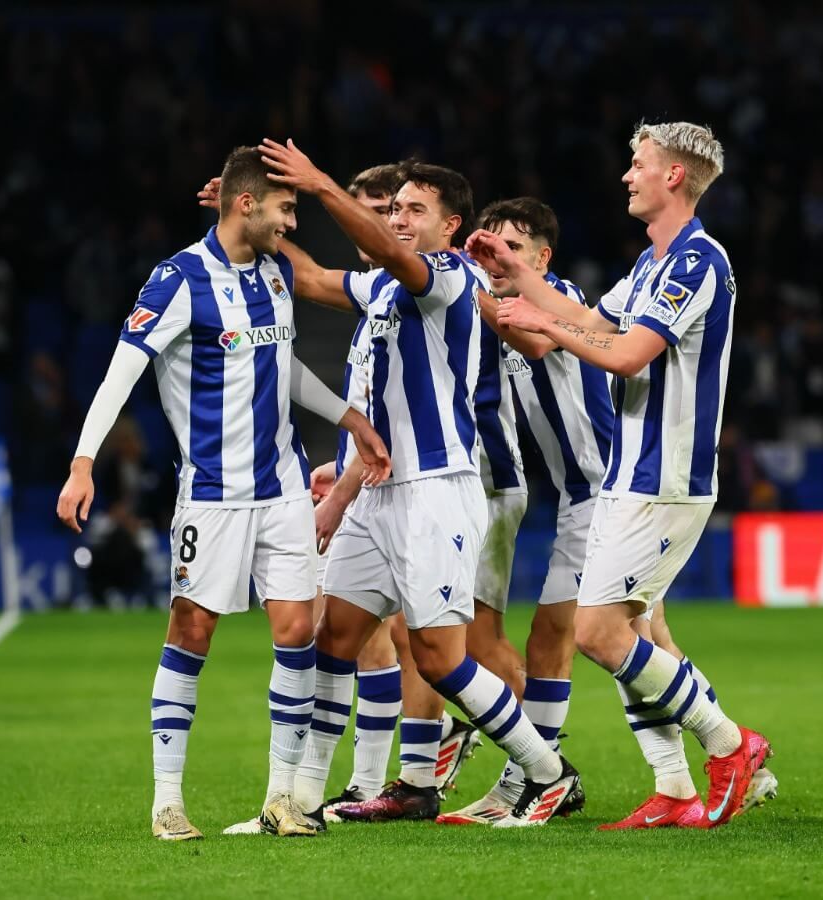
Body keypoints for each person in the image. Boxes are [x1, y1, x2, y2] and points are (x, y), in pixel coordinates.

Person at [55, 146, 389, 842]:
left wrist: (347, 414)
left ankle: (281, 800)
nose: (293, 220)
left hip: (283, 490)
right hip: (211, 495)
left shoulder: (273, 273)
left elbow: (283, 364)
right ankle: (167, 802)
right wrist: (83, 463)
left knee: (298, 630)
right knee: (192, 633)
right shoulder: (177, 280)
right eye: (286, 206)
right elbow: (121, 374)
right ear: (246, 204)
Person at [258, 138, 582, 830]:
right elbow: (312, 279)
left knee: (439, 658)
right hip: (377, 491)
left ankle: (550, 774)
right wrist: (255, 228)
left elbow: (396, 256)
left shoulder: (448, 277)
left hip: (437, 489)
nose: (400, 218)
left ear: (450, 227)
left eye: (415, 209)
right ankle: (301, 802)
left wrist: (319, 185)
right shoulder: (380, 286)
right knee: (333, 639)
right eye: (395, 208)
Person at [476, 121, 772, 829]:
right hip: (630, 472)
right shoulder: (651, 264)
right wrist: (521, 280)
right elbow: (594, 320)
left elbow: (626, 353)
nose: (626, 176)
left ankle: (731, 744)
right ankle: (673, 790)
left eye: (638, 164)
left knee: (599, 633)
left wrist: (545, 328)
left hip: (667, 475)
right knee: (631, 632)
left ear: (674, 175)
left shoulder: (698, 261)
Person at [434, 197, 609, 824]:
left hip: (606, 493)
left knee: (557, 639)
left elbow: (533, 343)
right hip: (578, 497)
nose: (498, 258)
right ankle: (723, 751)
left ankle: (533, 778)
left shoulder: (552, 299)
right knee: (628, 643)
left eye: (511, 248)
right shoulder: (502, 305)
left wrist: (458, 269)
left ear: (541, 256)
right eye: (492, 246)